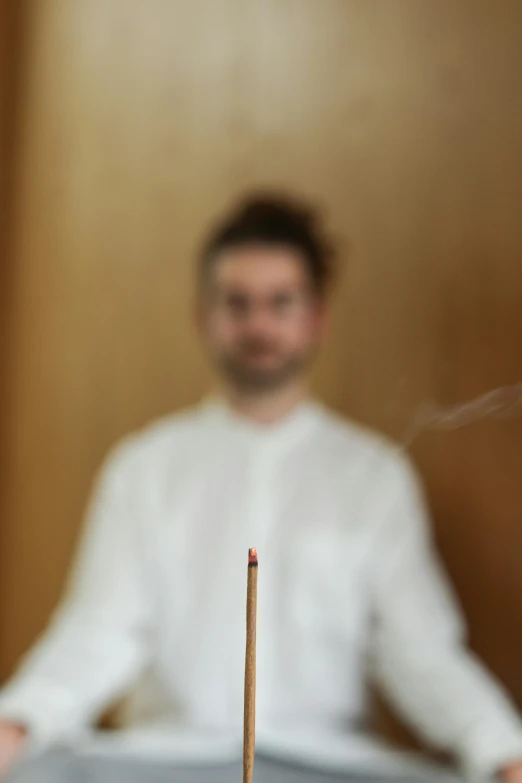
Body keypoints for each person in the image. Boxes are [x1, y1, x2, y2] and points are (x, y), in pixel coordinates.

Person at [0, 194, 522, 783]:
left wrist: (504, 751)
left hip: (325, 764)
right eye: (237, 303)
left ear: (316, 317)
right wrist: (15, 724)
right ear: (204, 315)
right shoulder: (144, 467)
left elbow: (422, 656)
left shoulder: (374, 477)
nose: (258, 325)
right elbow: (98, 632)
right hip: (167, 763)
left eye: (280, 303)